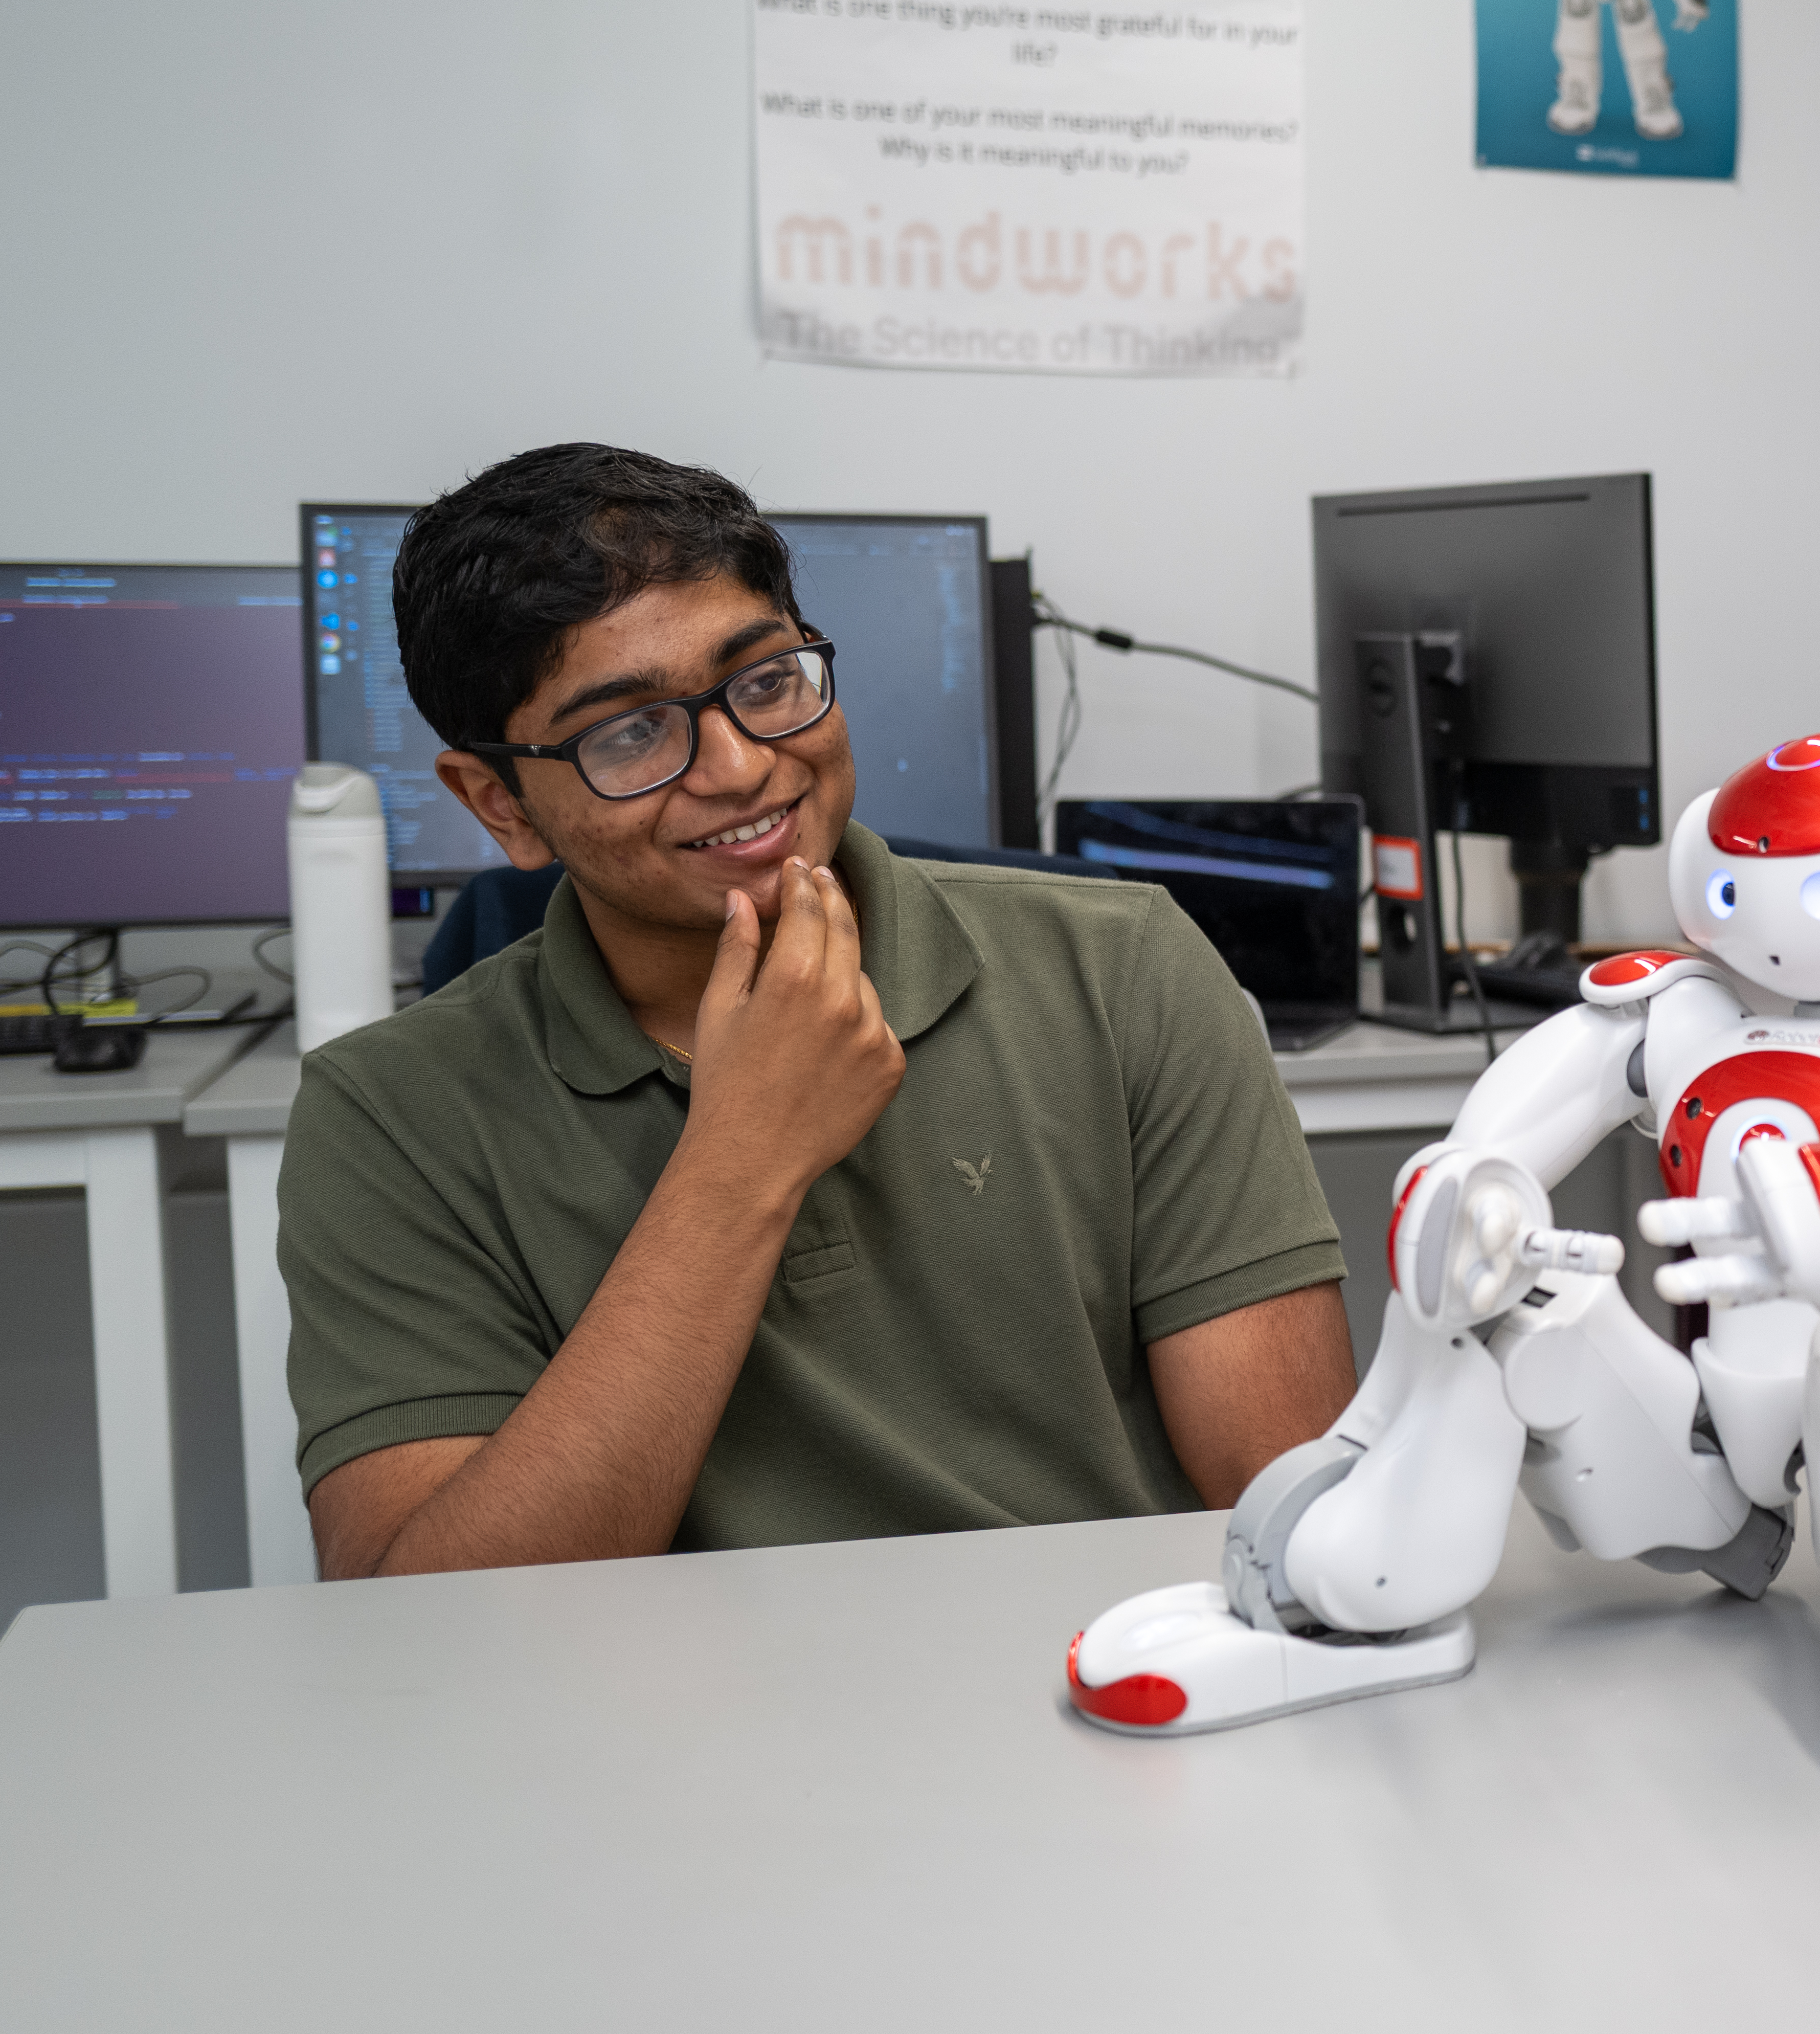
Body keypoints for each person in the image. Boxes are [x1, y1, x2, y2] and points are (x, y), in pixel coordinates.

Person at [284, 444, 1357, 1575]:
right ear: (501, 801)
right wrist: (744, 1156)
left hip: (1102, 1689)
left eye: (765, 678)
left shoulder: (1124, 966)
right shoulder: (386, 1115)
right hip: (652, 1733)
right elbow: (431, 1628)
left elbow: (1292, 1518)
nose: (743, 766)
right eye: (631, 732)